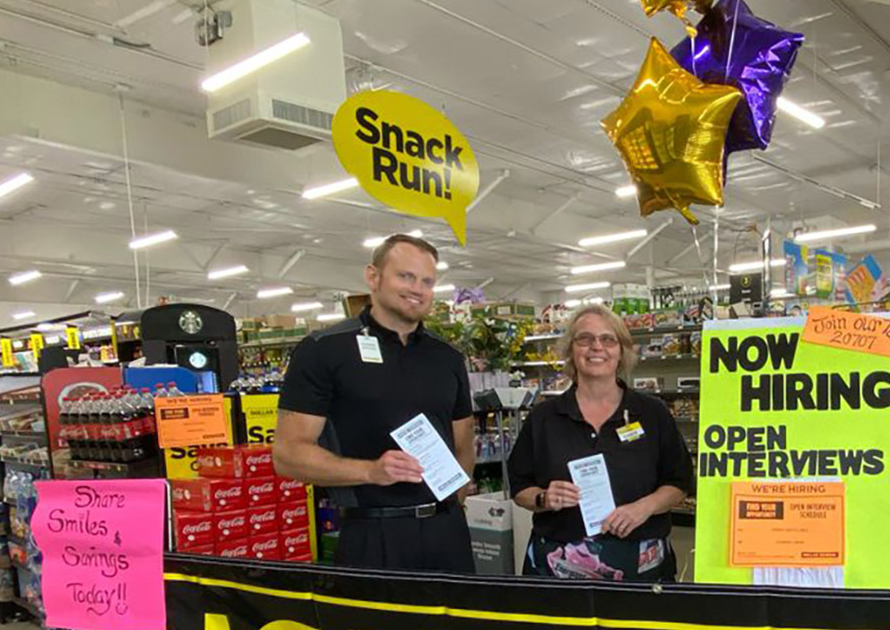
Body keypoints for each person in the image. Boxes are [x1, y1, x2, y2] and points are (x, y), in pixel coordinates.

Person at [272, 233, 476, 572]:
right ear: (373, 276)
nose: (417, 289)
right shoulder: (324, 350)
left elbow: (463, 439)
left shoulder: (447, 357)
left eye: (427, 281)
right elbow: (288, 455)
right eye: (405, 276)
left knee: (456, 625)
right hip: (372, 533)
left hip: (447, 533)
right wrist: (370, 471)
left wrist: (455, 499)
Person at [506, 306, 693, 581]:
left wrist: (643, 508)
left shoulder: (652, 414)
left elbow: (679, 482)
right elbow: (520, 487)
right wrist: (545, 498)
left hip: (640, 566)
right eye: (585, 339)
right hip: (559, 567)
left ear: (622, 351)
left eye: (608, 339)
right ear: (571, 350)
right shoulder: (544, 418)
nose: (597, 347)